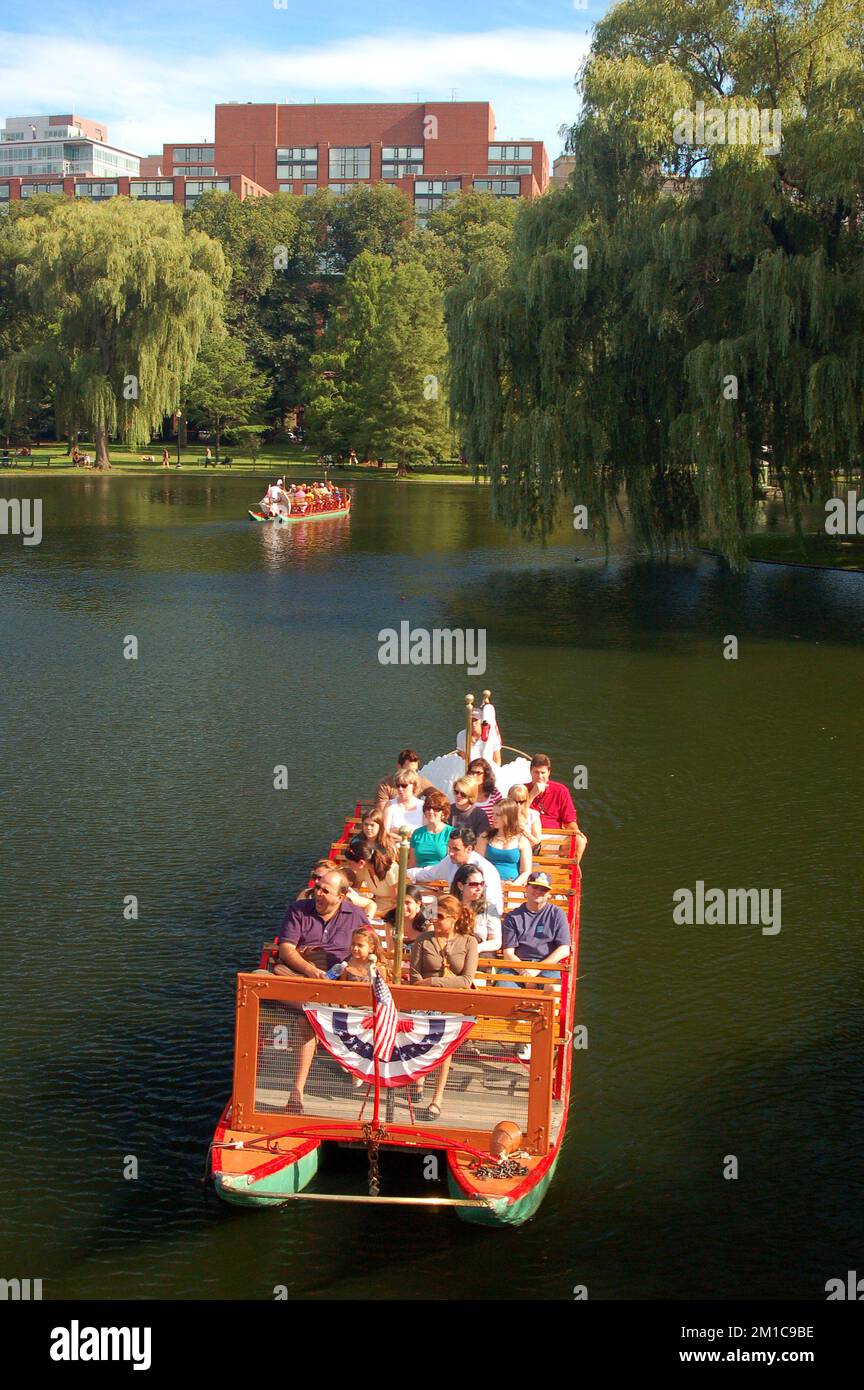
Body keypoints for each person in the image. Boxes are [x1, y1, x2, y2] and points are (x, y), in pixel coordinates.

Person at [273, 870, 370, 1113]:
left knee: (308, 1017)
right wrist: (308, 967)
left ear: (342, 896)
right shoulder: (298, 910)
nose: (318, 893)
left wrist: (346, 967)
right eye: (318, 888)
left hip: (335, 982)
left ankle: (297, 1091)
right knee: (259, 979)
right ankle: (321, 1009)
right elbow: (286, 949)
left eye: (325, 891)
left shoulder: (356, 916)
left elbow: (369, 948)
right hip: (300, 977)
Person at [409, 894, 478, 1119]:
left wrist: (433, 982)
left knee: (444, 1041)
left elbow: (466, 980)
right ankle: (419, 1080)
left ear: (454, 918)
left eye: (439, 917)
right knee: (421, 1032)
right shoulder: (423, 940)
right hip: (425, 999)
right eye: (432, 916)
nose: (434, 921)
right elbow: (414, 974)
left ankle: (437, 1097)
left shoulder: (469, 942)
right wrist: (425, 987)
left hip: (452, 1000)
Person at [497, 871, 571, 1031]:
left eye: (543, 889)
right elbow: (509, 953)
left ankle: (547, 1031)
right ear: (526, 888)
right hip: (517, 966)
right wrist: (525, 973)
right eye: (534, 887)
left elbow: (564, 949)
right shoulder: (513, 917)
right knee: (503, 992)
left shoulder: (557, 914)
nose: (538, 892)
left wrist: (536, 970)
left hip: (547, 965)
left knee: (554, 993)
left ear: (549, 894)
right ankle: (518, 1030)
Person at [407, 827, 503, 912]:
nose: (451, 853)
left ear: (469, 849)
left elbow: (493, 906)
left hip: (478, 918)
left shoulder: (486, 870)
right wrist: (402, 873)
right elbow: (426, 873)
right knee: (428, 914)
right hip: (454, 916)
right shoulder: (449, 861)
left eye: (456, 849)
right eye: (450, 848)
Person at [524, 754, 588, 862]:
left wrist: (576, 832)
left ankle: (570, 870)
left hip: (554, 837)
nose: (540, 777)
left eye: (543, 773)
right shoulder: (522, 790)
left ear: (549, 772)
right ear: (531, 772)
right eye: (536, 772)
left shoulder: (560, 790)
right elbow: (515, 817)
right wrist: (532, 794)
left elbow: (569, 821)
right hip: (529, 837)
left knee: (580, 840)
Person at [477, 800, 533, 884]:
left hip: (513, 884)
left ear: (509, 817)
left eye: (498, 815)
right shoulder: (485, 837)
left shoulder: (521, 840)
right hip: (488, 883)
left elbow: (525, 871)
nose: (493, 818)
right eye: (493, 814)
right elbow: (477, 864)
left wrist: (514, 885)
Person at [451, 862, 502, 953]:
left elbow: (496, 942)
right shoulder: (448, 905)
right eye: (474, 884)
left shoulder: (490, 908)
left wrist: (476, 949)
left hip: (479, 955)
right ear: (460, 886)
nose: (479, 888)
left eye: (482, 884)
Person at [408, 790, 452, 868]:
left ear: (444, 813)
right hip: (419, 876)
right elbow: (412, 865)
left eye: (435, 809)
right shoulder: (417, 833)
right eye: (428, 808)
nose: (431, 811)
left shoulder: (451, 833)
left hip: (441, 877)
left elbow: (452, 864)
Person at [455, 699, 502, 766]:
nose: (473, 723)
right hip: (470, 771)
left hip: (488, 770)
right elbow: (463, 760)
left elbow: (497, 761)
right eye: (471, 720)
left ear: (481, 720)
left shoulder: (492, 734)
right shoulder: (461, 735)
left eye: (476, 720)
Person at [382, 769, 425, 837]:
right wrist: (403, 839)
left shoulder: (423, 806)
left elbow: (425, 833)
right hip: (394, 845)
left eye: (404, 785)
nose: (400, 789)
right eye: (398, 785)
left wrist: (396, 831)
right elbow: (385, 832)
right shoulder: (390, 805)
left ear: (414, 785)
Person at [509, 783, 543, 847]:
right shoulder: (503, 813)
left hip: (526, 849)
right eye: (515, 801)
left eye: (521, 802)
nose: (518, 805)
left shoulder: (533, 815)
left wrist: (526, 833)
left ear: (526, 800)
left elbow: (537, 841)